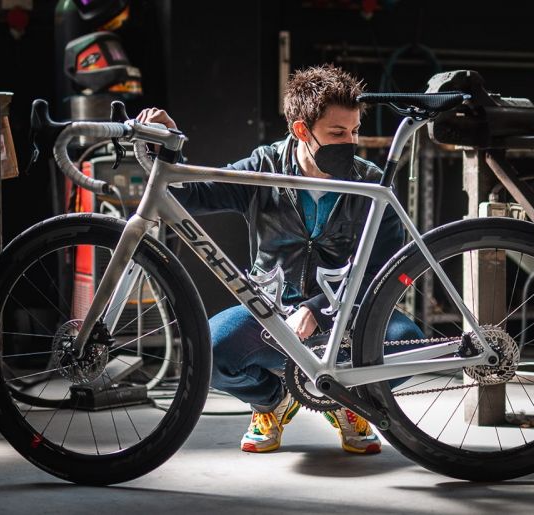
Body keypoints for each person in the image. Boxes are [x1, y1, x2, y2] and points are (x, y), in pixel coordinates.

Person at [137, 64, 423, 455]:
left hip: (345, 314)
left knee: (408, 344)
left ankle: (346, 399)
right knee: (209, 350)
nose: (350, 142)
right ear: (302, 130)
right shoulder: (265, 167)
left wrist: (319, 310)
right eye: (338, 133)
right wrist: (168, 148)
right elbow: (193, 194)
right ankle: (272, 401)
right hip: (270, 310)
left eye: (354, 131)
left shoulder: (370, 180)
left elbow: (386, 269)